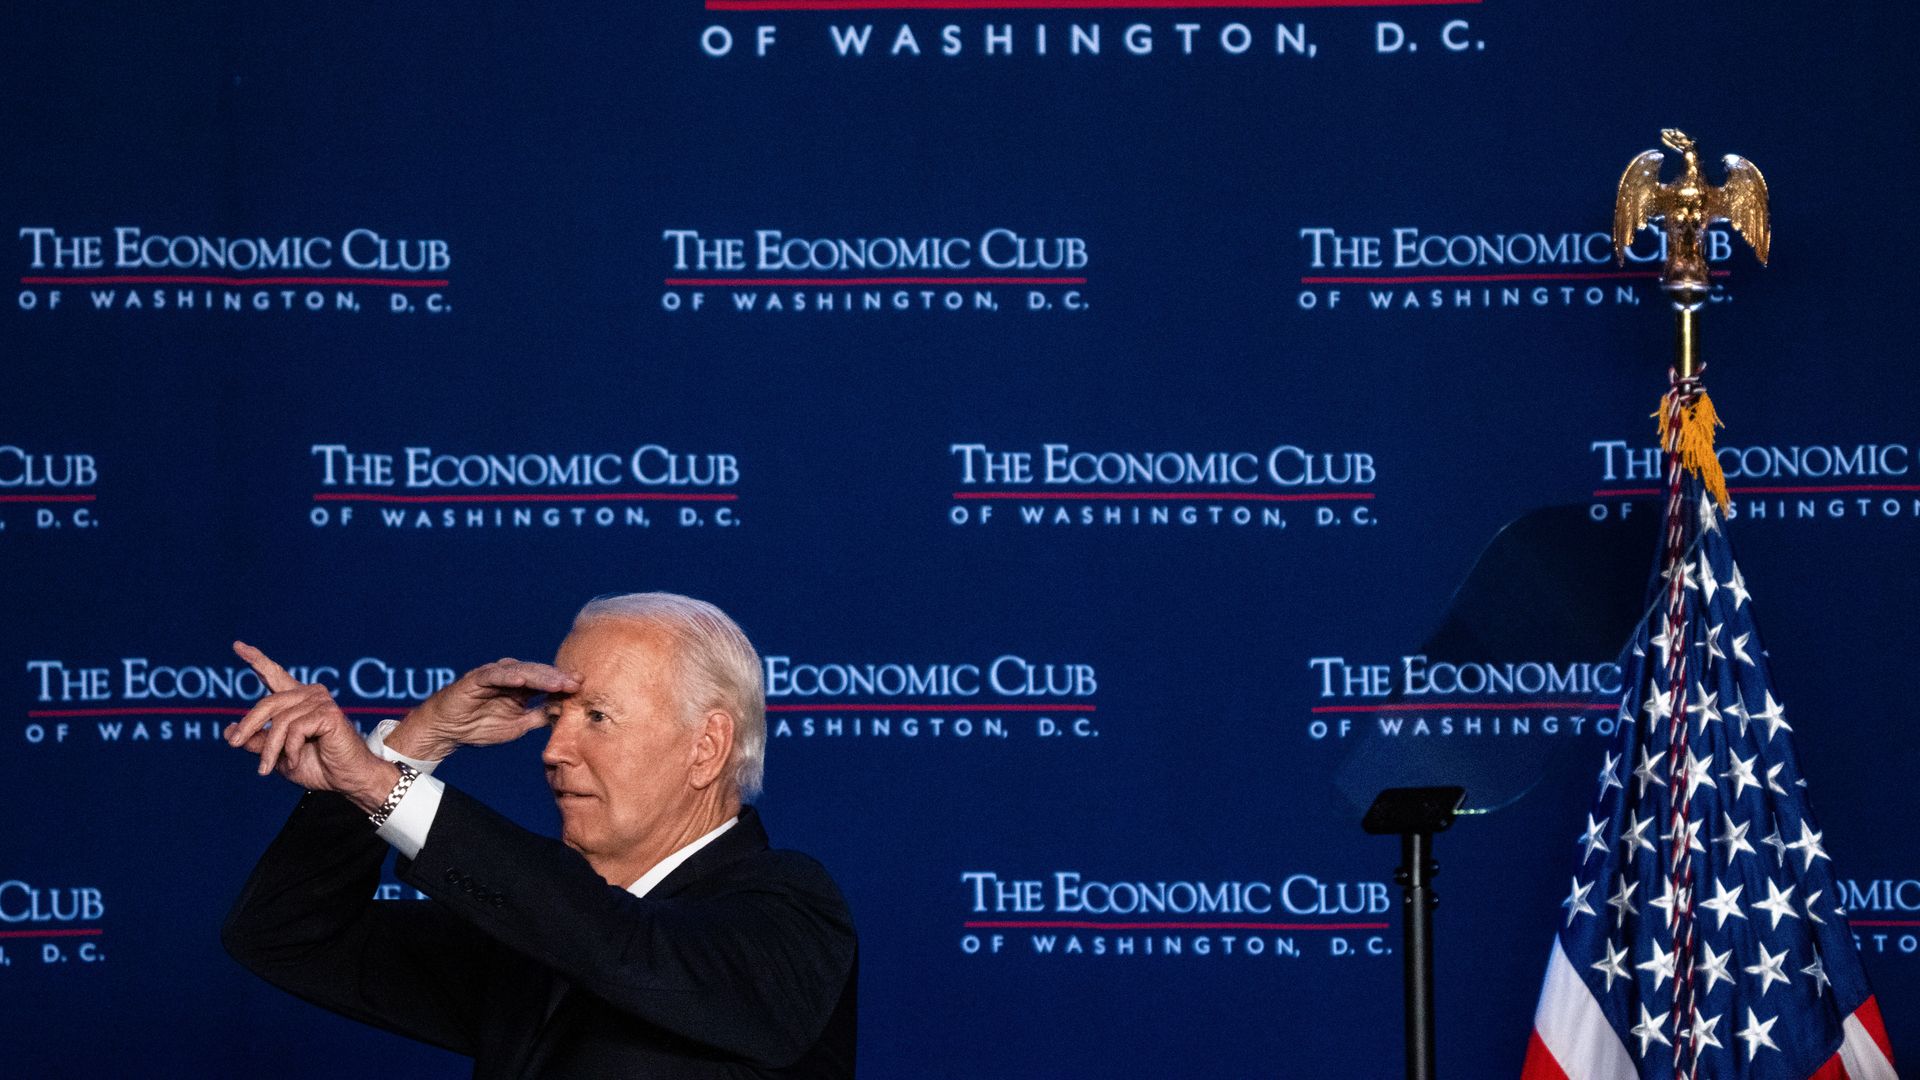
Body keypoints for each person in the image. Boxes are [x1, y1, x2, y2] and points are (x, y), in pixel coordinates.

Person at [220, 593, 858, 1079]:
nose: (554, 749)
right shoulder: (531, 938)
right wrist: (411, 746)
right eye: (555, 716)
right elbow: (284, 935)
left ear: (706, 747)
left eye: (597, 717)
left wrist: (380, 784)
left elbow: (619, 944)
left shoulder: (790, 911)